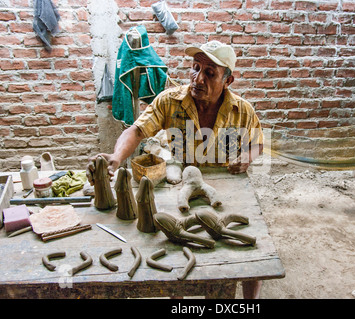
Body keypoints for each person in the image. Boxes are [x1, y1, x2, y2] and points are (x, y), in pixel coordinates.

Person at [87, 40, 263, 298]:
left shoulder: (242, 110)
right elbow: (136, 131)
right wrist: (115, 157)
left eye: (210, 73)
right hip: (181, 182)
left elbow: (257, 143)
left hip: (225, 184)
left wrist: (246, 156)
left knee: (251, 254)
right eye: (195, 68)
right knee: (175, 246)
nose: (198, 79)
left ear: (228, 80)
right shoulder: (170, 101)